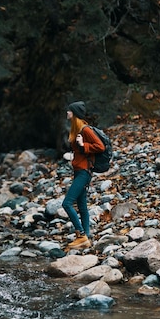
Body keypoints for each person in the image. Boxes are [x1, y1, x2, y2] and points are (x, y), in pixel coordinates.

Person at [62, 101, 105, 250]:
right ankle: (87, 236)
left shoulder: (85, 130)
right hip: (79, 170)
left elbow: (100, 146)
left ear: (74, 113)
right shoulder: (76, 129)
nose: (67, 113)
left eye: (69, 111)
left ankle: (81, 235)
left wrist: (83, 145)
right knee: (81, 205)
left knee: (66, 203)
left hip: (84, 172)